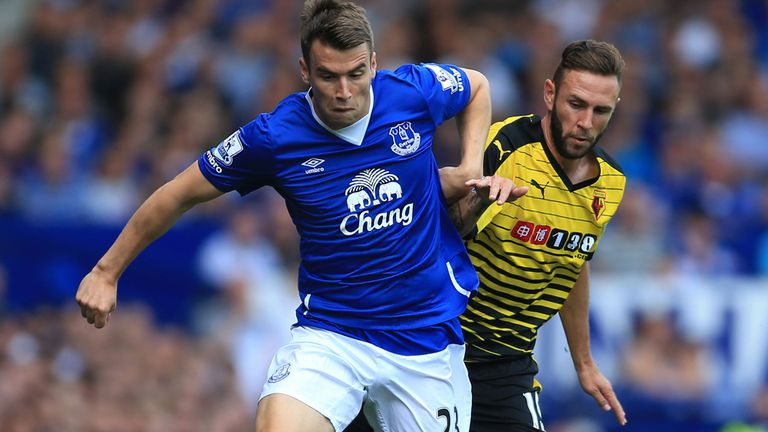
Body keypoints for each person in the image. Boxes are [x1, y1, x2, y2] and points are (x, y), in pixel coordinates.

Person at [75, 0, 495, 431]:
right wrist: (107, 272)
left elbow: (476, 86)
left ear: (373, 63)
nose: (344, 91)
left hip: (424, 336)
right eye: (328, 76)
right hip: (334, 334)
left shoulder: (412, 91)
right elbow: (176, 196)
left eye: (355, 74)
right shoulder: (274, 136)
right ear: (304, 70)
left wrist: (469, 167)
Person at [347, 39, 629, 431]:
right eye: (576, 104)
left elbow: (572, 264)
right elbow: (438, 232)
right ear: (550, 94)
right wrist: (475, 204)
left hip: (505, 365)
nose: (585, 122)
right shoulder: (505, 148)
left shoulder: (611, 184)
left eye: (600, 111)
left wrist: (584, 363)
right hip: (433, 348)